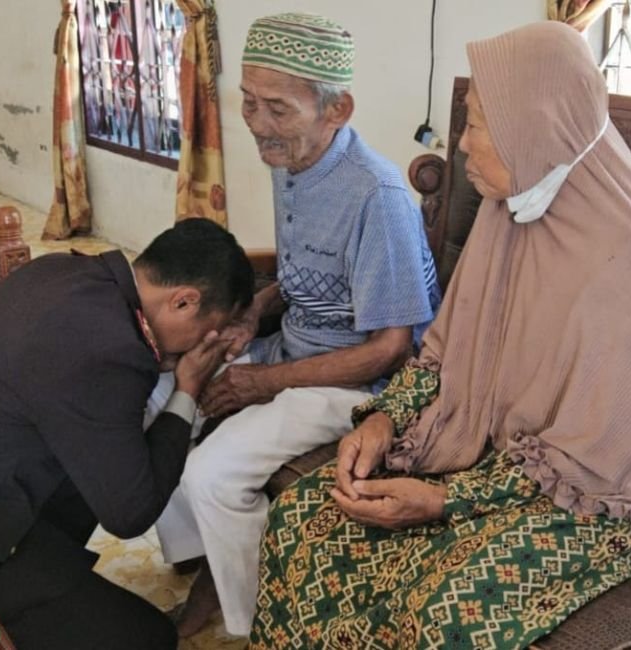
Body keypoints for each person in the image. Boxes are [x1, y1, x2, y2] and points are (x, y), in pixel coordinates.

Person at [249, 22, 631, 649]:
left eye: (477, 125)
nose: (461, 146)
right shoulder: (512, 208)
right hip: (493, 447)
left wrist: (442, 500)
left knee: (443, 609)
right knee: (301, 520)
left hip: (597, 499)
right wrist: (383, 420)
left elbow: (597, 462)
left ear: (535, 127)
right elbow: (444, 353)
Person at [155, 11, 441, 638]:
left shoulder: (377, 196)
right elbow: (304, 271)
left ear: (337, 109)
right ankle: (203, 552)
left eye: (278, 109)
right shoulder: (293, 159)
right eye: (249, 102)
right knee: (159, 398)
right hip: (293, 349)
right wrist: (253, 313)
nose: (257, 124)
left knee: (212, 472)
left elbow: (392, 350)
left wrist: (264, 383)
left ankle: (252, 617)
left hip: (358, 386)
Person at [0, 218, 254, 650]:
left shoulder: (58, 271)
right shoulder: (112, 349)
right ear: (183, 301)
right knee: (152, 638)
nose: (205, 343)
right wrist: (188, 389)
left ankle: (50, 579)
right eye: (209, 331)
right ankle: (16, 597)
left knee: (99, 460)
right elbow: (131, 514)